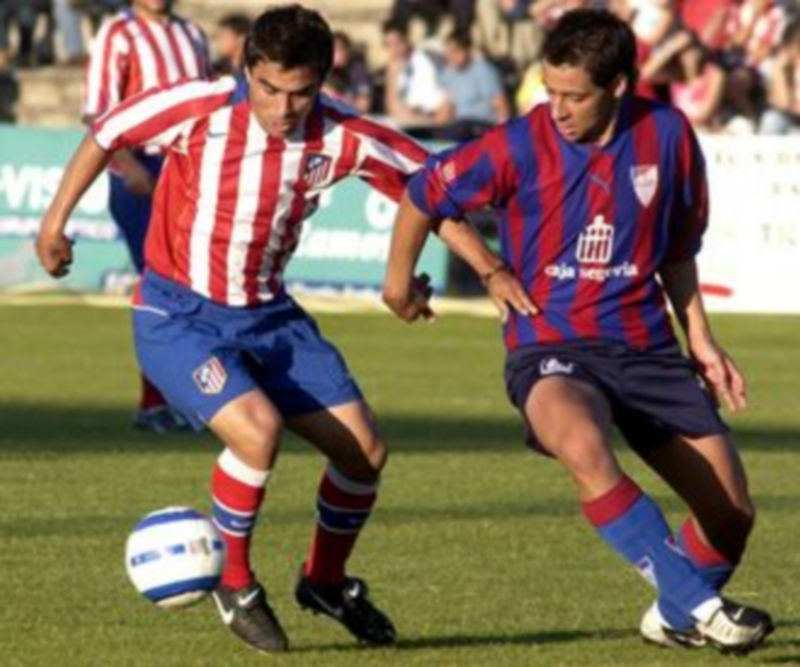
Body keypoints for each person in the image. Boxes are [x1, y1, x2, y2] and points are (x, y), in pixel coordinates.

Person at [36, 3, 528, 655]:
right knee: (258, 431)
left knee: (364, 451)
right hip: (176, 313)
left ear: (322, 81)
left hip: (272, 316)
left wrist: (491, 270)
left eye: (300, 93)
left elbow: (430, 190)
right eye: (269, 88)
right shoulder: (200, 105)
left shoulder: (344, 135)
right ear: (249, 72)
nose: (283, 107)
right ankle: (234, 582)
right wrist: (53, 224)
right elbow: (106, 132)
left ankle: (324, 581)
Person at [383, 8, 775, 656]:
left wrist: (700, 339)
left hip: (646, 345)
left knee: (732, 514)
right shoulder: (518, 141)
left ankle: (676, 610)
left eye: (574, 96)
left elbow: (677, 247)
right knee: (582, 442)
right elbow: (425, 192)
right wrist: (428, 277)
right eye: (549, 90)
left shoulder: (668, 134)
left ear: (620, 85)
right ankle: (705, 607)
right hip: (551, 342)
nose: (557, 109)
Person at [83, 0, 212, 433]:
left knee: (197, 286)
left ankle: (192, 397)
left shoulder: (192, 34)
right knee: (161, 284)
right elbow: (97, 110)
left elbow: (212, 104)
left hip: (188, 169)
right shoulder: (118, 33)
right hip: (141, 166)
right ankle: (155, 401)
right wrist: (129, 166)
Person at [439, 29, 511, 128]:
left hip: (481, 124)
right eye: (448, 52)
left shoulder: (483, 70)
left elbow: (500, 105)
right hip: (459, 124)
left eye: (455, 51)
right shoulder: (448, 74)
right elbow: (447, 106)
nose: (451, 56)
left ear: (467, 50)